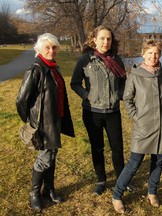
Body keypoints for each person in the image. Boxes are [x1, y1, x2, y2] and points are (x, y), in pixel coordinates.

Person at [112, 39, 162, 213]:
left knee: (158, 162)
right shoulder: (135, 75)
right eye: (150, 53)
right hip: (143, 127)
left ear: (159, 55)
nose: (153, 56)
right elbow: (127, 98)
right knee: (134, 163)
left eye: (156, 53)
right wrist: (136, 117)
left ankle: (152, 192)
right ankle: (117, 195)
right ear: (143, 54)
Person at [16, 33, 75, 212]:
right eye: (47, 47)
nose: (51, 50)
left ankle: (48, 189)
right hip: (43, 124)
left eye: (54, 47)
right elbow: (21, 100)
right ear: (39, 49)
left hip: (56, 119)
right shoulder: (36, 69)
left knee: (52, 154)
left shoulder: (53, 67)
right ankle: (34, 193)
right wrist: (31, 121)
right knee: (44, 158)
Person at [70, 25, 127, 195]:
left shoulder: (116, 59)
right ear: (94, 40)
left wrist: (120, 94)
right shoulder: (85, 60)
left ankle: (121, 180)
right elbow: (74, 83)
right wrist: (87, 95)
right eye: (102, 38)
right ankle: (101, 180)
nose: (105, 42)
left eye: (108, 39)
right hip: (92, 112)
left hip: (113, 111)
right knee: (97, 147)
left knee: (117, 148)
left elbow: (124, 81)